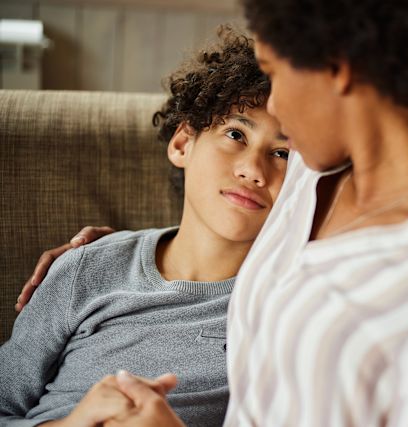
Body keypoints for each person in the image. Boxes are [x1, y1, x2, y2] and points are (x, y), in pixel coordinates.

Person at [17, 0, 408, 425]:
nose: (276, 109)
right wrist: (108, 259)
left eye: (274, 72)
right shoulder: (313, 182)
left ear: (336, 67)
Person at [1, 28, 289, 427]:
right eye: (235, 134)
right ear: (183, 144)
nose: (253, 170)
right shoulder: (85, 268)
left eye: (282, 153)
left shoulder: (289, 305)